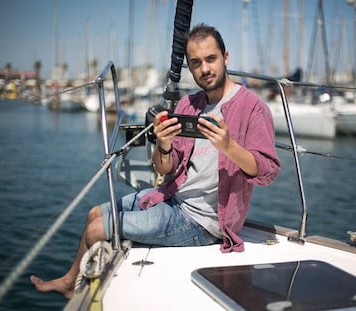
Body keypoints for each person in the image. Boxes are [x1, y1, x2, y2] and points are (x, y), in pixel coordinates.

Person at [30, 23, 281, 299]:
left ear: (226, 57)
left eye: (211, 59)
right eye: (196, 63)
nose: (205, 69)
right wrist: (163, 145)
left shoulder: (253, 108)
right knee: (93, 213)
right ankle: (69, 282)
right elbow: (165, 168)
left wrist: (228, 146)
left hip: (203, 222)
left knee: (96, 230)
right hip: (172, 197)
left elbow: (267, 172)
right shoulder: (188, 105)